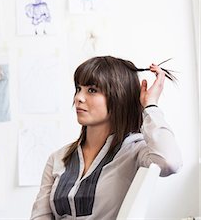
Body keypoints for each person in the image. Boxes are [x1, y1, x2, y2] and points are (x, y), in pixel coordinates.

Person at [30, 56, 182, 220]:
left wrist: (151, 105)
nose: (78, 98)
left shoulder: (134, 151)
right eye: (78, 89)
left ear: (119, 96)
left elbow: (170, 162)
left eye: (92, 90)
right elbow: (40, 216)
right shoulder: (58, 158)